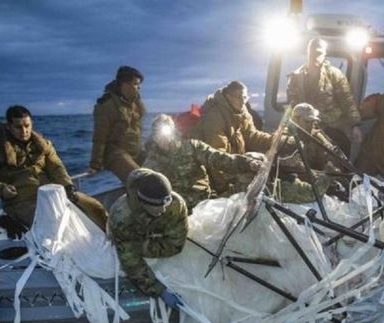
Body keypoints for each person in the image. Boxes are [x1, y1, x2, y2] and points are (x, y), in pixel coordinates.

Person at [0, 105, 108, 235]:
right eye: (18, 127)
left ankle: (113, 239)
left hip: (52, 193)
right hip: (20, 201)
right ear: (8, 127)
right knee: (52, 223)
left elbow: (56, 168)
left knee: (95, 207)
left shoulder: (43, 145)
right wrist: (1, 189)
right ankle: (8, 219)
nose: (24, 131)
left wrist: (68, 187)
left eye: (27, 126)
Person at [143, 114, 261, 210]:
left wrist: (247, 163)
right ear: (153, 137)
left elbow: (219, 159)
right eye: (157, 134)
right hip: (177, 211)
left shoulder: (192, 147)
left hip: (204, 203)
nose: (163, 138)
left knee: (248, 181)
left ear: (173, 132)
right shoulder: (152, 160)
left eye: (165, 133)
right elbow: (143, 183)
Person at [108, 168, 187, 305]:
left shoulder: (176, 205)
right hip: (128, 236)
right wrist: (159, 290)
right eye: (156, 205)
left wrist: (146, 245)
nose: (163, 209)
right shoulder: (121, 217)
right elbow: (131, 262)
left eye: (166, 203)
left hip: (148, 236)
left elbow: (176, 245)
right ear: (143, 202)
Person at [189, 81, 273, 195]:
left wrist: (275, 140)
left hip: (233, 167)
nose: (243, 101)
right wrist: (225, 190)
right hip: (217, 178)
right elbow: (217, 158)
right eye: (238, 97)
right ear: (228, 97)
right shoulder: (215, 118)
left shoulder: (242, 113)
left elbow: (252, 136)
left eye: (244, 97)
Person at [286, 38, 363, 161]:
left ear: (325, 54)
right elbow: (292, 106)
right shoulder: (295, 77)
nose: (316, 56)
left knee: (340, 155)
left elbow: (347, 101)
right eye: (313, 52)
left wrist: (355, 125)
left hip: (332, 127)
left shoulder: (335, 75)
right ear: (308, 52)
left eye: (319, 52)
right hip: (305, 128)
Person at [88, 65, 146, 182]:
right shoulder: (107, 106)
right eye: (136, 84)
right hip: (115, 153)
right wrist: (95, 165)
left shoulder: (135, 103)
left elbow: (141, 117)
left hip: (135, 151)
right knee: (139, 179)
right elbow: (100, 137)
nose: (138, 88)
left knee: (161, 168)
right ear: (125, 85)